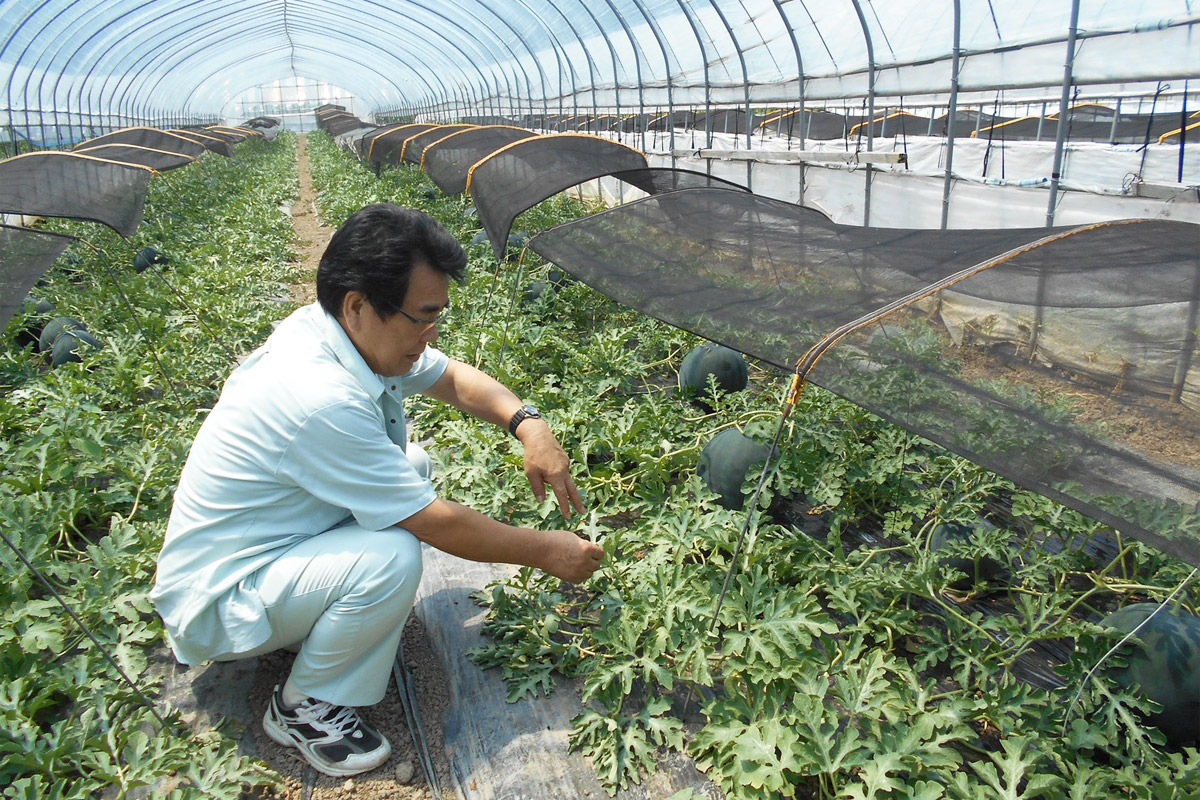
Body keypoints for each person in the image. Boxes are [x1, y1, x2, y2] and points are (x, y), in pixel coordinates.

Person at [149, 203, 604, 777]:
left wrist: (529, 424)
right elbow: (435, 521)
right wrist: (546, 550)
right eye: (422, 317)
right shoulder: (319, 396)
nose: (431, 334)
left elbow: (453, 379)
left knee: (407, 462)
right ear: (359, 305)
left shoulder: (337, 330)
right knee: (390, 556)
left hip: (267, 548)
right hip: (219, 597)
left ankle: (313, 628)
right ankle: (304, 708)